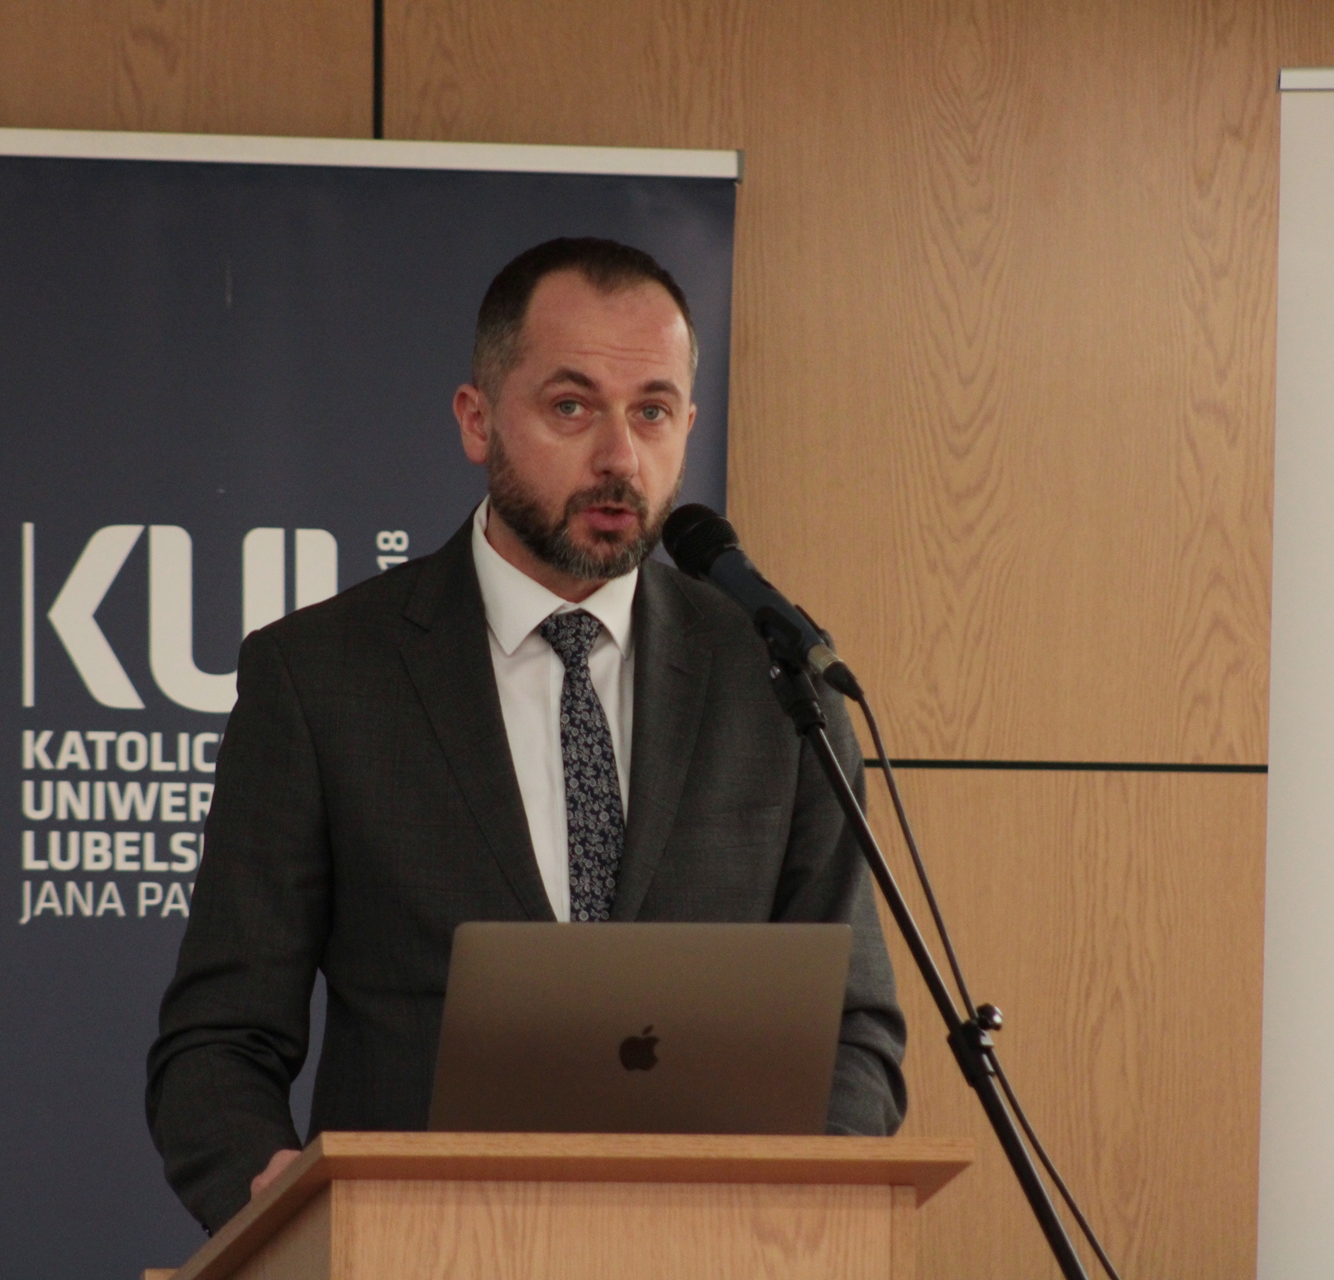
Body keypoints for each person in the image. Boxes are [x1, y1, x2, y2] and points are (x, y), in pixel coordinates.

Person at [146, 237, 907, 1232]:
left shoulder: (775, 677)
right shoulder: (321, 676)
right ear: (478, 420)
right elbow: (218, 1043)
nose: (619, 459)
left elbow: (854, 1028)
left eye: (653, 411)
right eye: (572, 407)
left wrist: (792, 1215)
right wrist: (284, 1204)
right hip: (415, 1250)